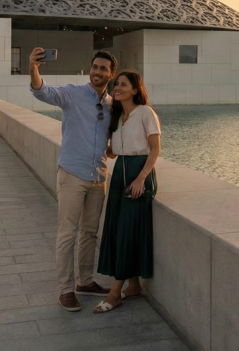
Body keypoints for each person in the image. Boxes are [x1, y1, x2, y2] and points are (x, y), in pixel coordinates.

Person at [29, 47, 117, 312]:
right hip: (72, 174)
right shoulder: (73, 93)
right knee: (67, 234)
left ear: (110, 74)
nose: (97, 72)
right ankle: (66, 290)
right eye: (95, 67)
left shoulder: (113, 104)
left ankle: (85, 281)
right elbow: (43, 91)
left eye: (103, 68)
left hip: (98, 176)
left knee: (90, 234)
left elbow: (112, 141)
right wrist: (34, 68)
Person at [93, 70, 161, 313]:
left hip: (138, 173)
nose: (118, 88)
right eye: (116, 84)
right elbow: (114, 151)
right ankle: (133, 286)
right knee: (118, 228)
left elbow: (155, 149)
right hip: (120, 171)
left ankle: (114, 293)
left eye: (123, 84)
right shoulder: (117, 115)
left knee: (126, 231)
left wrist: (141, 178)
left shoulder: (145, 112)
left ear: (135, 89)